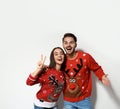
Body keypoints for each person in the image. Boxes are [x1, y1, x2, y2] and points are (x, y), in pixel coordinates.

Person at [62, 33, 110, 109]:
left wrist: (102, 76)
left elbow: (96, 68)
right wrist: (42, 69)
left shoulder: (85, 57)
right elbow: (53, 70)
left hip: (84, 100)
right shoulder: (60, 59)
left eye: (71, 42)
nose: (68, 45)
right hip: (68, 101)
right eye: (66, 42)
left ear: (75, 44)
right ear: (63, 45)